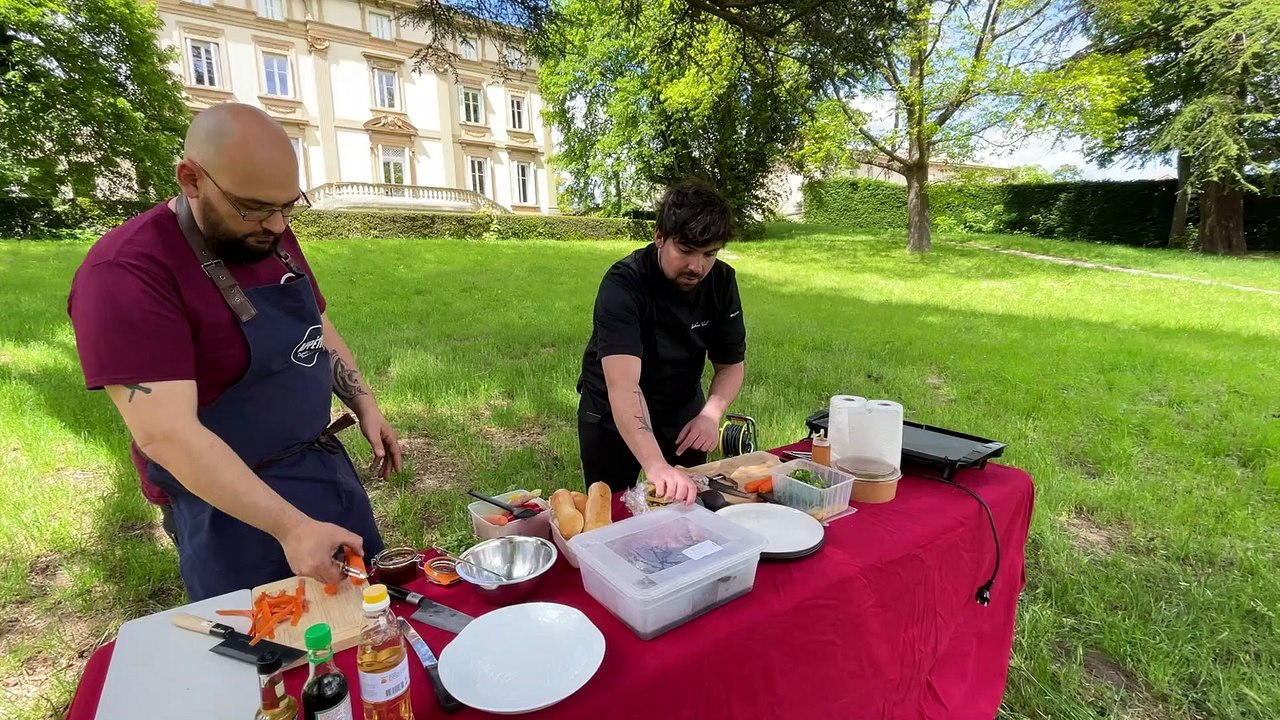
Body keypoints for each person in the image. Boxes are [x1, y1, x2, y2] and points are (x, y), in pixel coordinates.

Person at [68, 104, 401, 601]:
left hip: (319, 467)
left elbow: (316, 323)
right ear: (191, 179)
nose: (274, 224)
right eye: (253, 208)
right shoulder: (125, 273)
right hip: (227, 505)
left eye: (288, 206)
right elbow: (167, 435)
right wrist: (290, 527)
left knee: (370, 619)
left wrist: (365, 403)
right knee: (276, 657)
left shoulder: (270, 233)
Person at [576, 181, 747, 504]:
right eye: (685, 251)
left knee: (692, 506)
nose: (697, 267)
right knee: (611, 510)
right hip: (611, 414)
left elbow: (731, 364)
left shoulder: (722, 282)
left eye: (709, 254)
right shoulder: (623, 284)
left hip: (683, 411)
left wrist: (711, 414)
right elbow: (624, 385)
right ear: (659, 237)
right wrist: (655, 464)